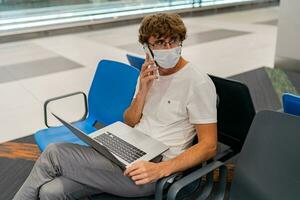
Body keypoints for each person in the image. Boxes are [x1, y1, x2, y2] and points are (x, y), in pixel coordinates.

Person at [13, 13, 217, 200]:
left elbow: (209, 146)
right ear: (147, 48)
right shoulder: (148, 73)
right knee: (52, 192)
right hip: (129, 151)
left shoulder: (197, 82)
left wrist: (162, 169)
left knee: (54, 153)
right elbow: (130, 120)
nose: (168, 48)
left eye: (173, 41)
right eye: (160, 43)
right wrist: (143, 91)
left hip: (152, 168)